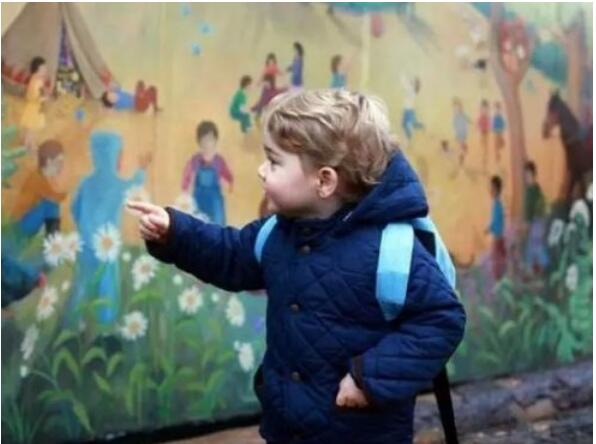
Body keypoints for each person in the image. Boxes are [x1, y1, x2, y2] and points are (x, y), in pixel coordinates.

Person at [128, 89, 465, 444]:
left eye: (274, 162)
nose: (261, 171)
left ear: (324, 181)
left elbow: (442, 320)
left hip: (360, 432)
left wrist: (369, 379)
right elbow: (230, 254)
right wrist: (175, 232)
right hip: (286, 427)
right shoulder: (277, 233)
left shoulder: (391, 251)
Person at [66, 131, 151, 327]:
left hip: (86, 243)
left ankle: (71, 324)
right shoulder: (118, 185)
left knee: (82, 282)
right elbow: (134, 185)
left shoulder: (86, 183)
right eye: (119, 154)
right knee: (107, 284)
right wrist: (141, 169)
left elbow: (74, 208)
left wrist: (85, 228)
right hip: (107, 245)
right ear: (114, 157)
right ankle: (106, 325)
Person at [181, 121, 233, 225]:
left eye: (210, 139)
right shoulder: (195, 160)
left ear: (215, 141)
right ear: (199, 142)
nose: (207, 143)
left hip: (215, 203)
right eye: (204, 140)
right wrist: (185, 192)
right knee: (198, 226)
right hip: (198, 201)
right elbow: (186, 179)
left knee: (216, 226)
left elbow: (229, 179)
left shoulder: (219, 161)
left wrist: (226, 184)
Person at [523, 161, 548, 274]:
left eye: (528, 175)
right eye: (525, 175)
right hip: (537, 222)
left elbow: (531, 209)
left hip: (536, 222)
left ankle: (539, 267)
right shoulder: (533, 189)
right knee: (533, 245)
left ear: (533, 175)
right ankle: (535, 268)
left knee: (535, 245)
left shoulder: (533, 191)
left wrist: (527, 223)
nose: (526, 178)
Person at [20, 56, 50, 149]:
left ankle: (28, 143)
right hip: (34, 108)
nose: (45, 70)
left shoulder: (35, 78)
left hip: (32, 107)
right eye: (43, 69)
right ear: (37, 70)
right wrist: (44, 98)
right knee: (31, 128)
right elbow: (35, 96)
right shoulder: (37, 82)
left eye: (45, 68)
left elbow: (34, 94)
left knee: (30, 128)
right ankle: (29, 144)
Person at [486, 175, 506, 280]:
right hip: (499, 236)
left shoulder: (497, 205)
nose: (490, 191)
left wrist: (489, 228)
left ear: (497, 190)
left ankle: (498, 279)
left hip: (498, 237)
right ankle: (500, 278)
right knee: (499, 259)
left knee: (497, 260)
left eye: (492, 188)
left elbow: (496, 222)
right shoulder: (497, 204)